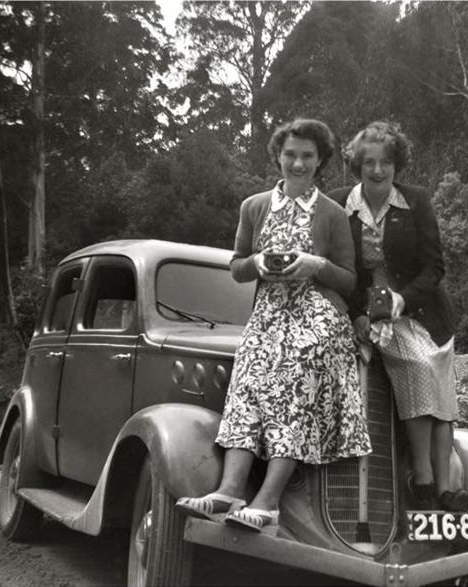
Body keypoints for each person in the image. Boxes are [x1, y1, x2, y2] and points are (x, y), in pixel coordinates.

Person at [177, 118, 372, 533]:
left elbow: (349, 280)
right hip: (269, 313)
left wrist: (316, 265)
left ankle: (268, 501)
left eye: (307, 156)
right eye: (290, 155)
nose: (297, 164)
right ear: (278, 156)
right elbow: (237, 267)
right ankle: (228, 490)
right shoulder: (254, 206)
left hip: (318, 314)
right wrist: (259, 263)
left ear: (320, 162)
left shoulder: (333, 214)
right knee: (247, 373)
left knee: (292, 368)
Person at [328, 121, 468, 512]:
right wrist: (358, 312)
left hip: (423, 312)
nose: (377, 170)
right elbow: (338, 268)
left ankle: (444, 490)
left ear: (397, 163)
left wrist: (402, 300)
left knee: (442, 393)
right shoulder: (339, 203)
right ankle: (421, 476)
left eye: (386, 162)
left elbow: (434, 267)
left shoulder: (416, 201)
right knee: (421, 367)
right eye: (369, 162)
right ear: (357, 164)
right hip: (372, 316)